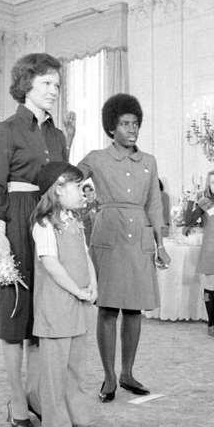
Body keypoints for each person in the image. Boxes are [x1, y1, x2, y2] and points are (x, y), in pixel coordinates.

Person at [0, 52, 71, 427]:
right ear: (26, 85)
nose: (54, 90)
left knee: (42, 314)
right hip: (16, 222)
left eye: (57, 84)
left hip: (47, 221)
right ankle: (16, 398)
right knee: (14, 314)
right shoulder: (7, 129)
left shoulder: (57, 133)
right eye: (46, 84)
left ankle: (36, 394)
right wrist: (0, 236)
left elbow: (62, 182)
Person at [78, 93, 169, 403]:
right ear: (111, 128)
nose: (132, 129)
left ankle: (128, 373)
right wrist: (68, 138)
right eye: (125, 123)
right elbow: (67, 180)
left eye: (136, 124)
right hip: (109, 234)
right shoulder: (95, 158)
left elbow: (154, 204)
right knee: (107, 308)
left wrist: (161, 245)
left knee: (134, 309)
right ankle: (109, 376)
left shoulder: (149, 161)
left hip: (139, 236)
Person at [29, 161, 99, 427]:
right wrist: (78, 291)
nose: (84, 192)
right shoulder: (44, 224)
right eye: (78, 187)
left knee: (75, 366)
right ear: (58, 189)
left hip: (77, 305)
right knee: (55, 370)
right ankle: (57, 425)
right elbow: (52, 265)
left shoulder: (76, 222)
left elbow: (85, 257)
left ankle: (78, 416)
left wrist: (92, 283)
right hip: (56, 306)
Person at [184, 170, 214, 337]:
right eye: (213, 182)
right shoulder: (204, 203)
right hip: (210, 249)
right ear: (208, 186)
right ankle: (211, 323)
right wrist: (191, 200)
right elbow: (189, 221)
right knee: (210, 285)